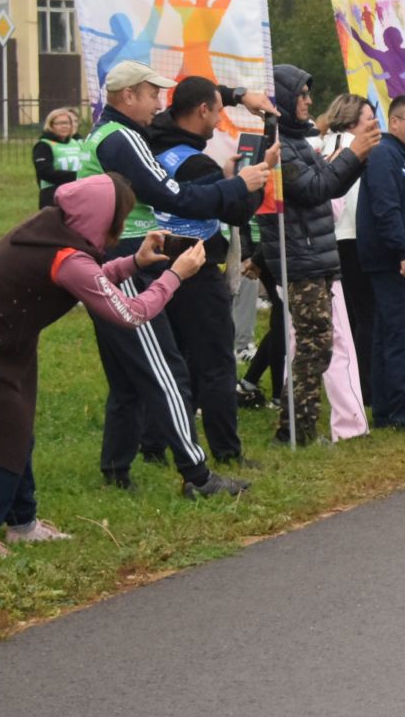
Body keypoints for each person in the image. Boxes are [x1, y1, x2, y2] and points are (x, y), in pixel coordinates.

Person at [0, 175, 211, 554]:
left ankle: (23, 524)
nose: (120, 227)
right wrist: (175, 276)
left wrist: (134, 262)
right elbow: (129, 312)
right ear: (102, 218)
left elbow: (91, 282)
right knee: (8, 438)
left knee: (16, 431)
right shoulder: (67, 256)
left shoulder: (52, 233)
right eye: (119, 218)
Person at [78, 61, 269, 496]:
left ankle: (116, 472)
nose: (159, 105)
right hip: (127, 256)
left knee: (128, 377)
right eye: (151, 95)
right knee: (167, 371)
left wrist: (238, 96)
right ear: (128, 96)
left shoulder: (116, 132)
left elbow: (184, 106)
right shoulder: (123, 139)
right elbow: (173, 196)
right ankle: (198, 476)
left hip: (114, 256)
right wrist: (239, 185)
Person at [144, 75, 269, 467]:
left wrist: (234, 96)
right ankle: (226, 451)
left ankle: (154, 447)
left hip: (157, 265)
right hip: (197, 270)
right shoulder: (196, 162)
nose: (219, 120)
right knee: (216, 362)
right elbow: (235, 211)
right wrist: (257, 179)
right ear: (202, 110)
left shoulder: (150, 141)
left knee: (168, 362)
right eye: (217, 111)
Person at [267, 66, 375, 445]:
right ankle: (296, 430)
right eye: (301, 95)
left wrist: (355, 159)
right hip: (301, 257)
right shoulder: (279, 145)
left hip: (316, 256)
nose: (309, 101)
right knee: (315, 343)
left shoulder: (298, 141)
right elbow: (314, 189)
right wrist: (353, 154)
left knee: (315, 343)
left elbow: (328, 186)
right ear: (283, 99)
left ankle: (297, 426)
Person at [358, 94, 405, 429]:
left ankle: (387, 410)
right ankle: (400, 412)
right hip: (393, 261)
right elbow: (385, 209)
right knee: (401, 338)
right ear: (394, 122)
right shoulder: (385, 155)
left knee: (390, 336)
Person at [320, 93, 378, 399]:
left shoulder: (321, 146)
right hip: (354, 236)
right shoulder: (352, 150)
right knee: (365, 314)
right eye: (369, 118)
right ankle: (366, 386)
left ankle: (351, 382)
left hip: (329, 239)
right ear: (353, 120)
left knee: (347, 316)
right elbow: (355, 201)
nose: (373, 125)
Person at [33, 108, 84, 209]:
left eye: (67, 123)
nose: (64, 126)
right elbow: (44, 172)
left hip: (77, 192)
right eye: (60, 123)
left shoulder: (77, 143)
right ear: (51, 125)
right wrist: (77, 176)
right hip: (52, 195)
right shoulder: (44, 145)